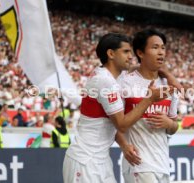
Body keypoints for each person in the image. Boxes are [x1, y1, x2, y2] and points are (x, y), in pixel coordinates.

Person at [63, 33, 171, 183]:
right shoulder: (105, 82)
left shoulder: (113, 75)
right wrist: (149, 99)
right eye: (126, 52)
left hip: (101, 159)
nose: (131, 56)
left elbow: (139, 67)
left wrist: (167, 75)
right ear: (111, 53)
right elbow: (121, 124)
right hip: (85, 160)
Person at [119, 29, 179, 183]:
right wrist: (124, 146)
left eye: (163, 48)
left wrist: (170, 123)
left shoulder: (169, 85)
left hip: (162, 164)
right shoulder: (125, 82)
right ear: (140, 52)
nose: (161, 52)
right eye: (155, 48)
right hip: (138, 164)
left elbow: (174, 127)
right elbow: (113, 123)